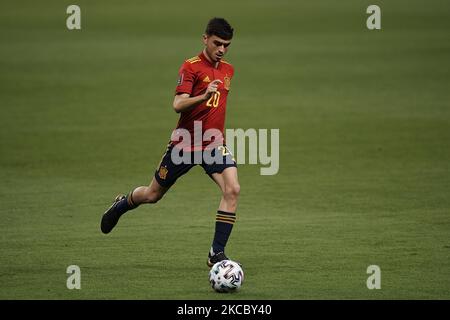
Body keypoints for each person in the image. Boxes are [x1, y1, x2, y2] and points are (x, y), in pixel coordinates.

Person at [100, 17, 240, 267]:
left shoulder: (228, 70)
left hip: (213, 144)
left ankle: (216, 253)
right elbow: (178, 105)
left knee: (232, 189)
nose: (221, 49)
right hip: (184, 145)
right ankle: (122, 204)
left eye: (226, 45)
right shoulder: (191, 67)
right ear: (205, 38)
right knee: (153, 195)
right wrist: (203, 95)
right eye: (217, 43)